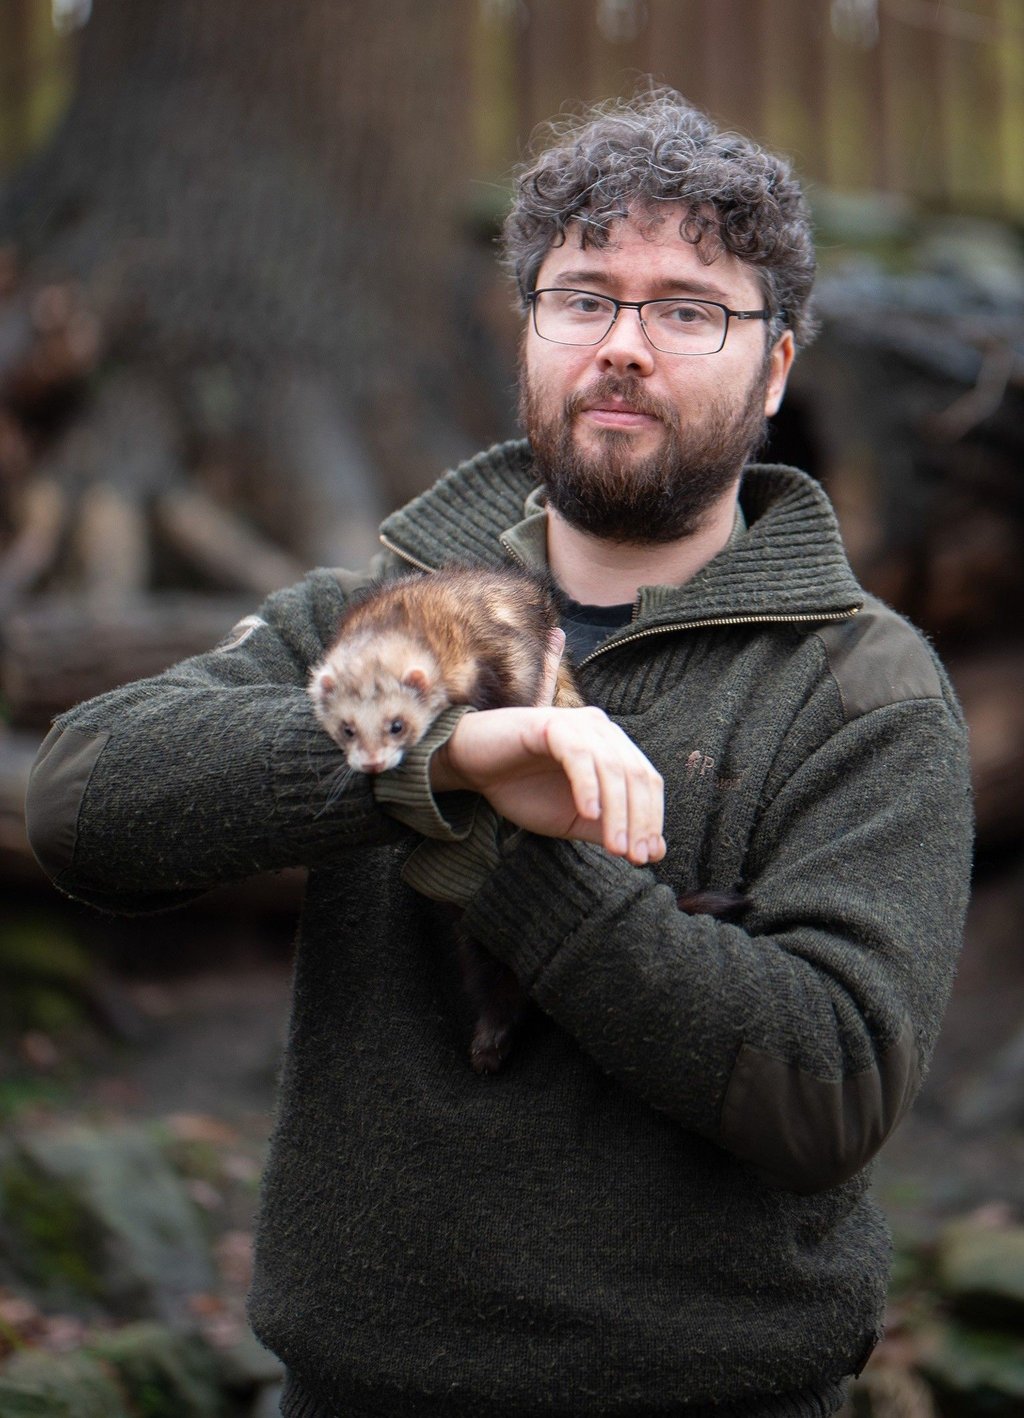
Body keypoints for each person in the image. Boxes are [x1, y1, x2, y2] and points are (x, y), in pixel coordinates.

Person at [25, 87, 972, 1418]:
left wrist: (507, 855)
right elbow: (82, 796)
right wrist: (440, 757)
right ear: (526, 334)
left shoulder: (862, 688)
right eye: (582, 296)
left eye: (689, 307)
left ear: (775, 366)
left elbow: (823, 1091)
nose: (624, 345)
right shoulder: (372, 618)